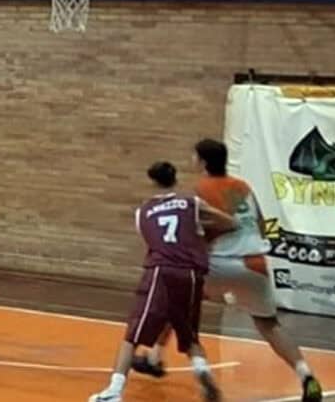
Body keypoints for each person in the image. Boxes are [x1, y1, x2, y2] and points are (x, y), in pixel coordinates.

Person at [131, 140, 322, 402]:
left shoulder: (199, 191)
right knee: (269, 325)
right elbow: (263, 224)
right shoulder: (244, 187)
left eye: (194, 156)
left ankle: (164, 360)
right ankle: (306, 375)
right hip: (255, 263)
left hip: (218, 262)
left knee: (176, 303)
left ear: (202, 161)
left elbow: (200, 231)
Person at [89, 161, 237, 402]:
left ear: (153, 181)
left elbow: (156, 241)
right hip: (191, 273)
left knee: (133, 336)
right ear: (175, 178)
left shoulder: (143, 212)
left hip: (161, 271)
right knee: (189, 335)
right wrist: (200, 228)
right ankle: (203, 373)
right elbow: (230, 223)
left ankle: (114, 392)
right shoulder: (191, 203)